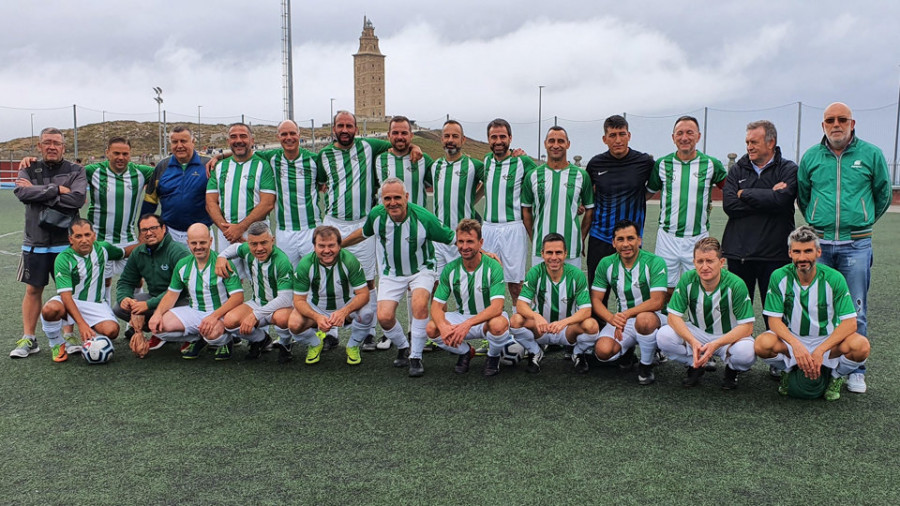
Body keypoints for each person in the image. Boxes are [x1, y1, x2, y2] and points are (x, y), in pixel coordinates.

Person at [797, 102, 891, 395]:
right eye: (829, 120)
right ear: (823, 126)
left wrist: (861, 220)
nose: (836, 124)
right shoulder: (812, 156)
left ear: (853, 123)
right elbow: (803, 195)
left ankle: (855, 371)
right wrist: (817, 221)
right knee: (819, 308)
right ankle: (823, 365)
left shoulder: (871, 154)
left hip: (856, 245)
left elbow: (883, 193)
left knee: (855, 310)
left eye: (842, 119)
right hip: (820, 245)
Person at [317, 111, 422, 351]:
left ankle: (367, 332)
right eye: (340, 125)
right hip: (333, 221)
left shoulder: (368, 146)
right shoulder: (323, 155)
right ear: (334, 128)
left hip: (363, 223)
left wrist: (415, 145)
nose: (345, 130)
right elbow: (321, 183)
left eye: (349, 126)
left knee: (367, 280)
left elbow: (399, 142)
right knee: (331, 278)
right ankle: (330, 332)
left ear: (356, 128)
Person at [343, 178, 454, 376]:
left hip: (421, 270)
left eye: (397, 197)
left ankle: (416, 357)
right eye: (387, 198)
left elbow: (452, 239)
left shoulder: (423, 218)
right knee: (384, 317)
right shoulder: (377, 216)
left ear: (406, 197)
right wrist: (340, 244)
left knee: (419, 304)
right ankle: (403, 347)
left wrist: (484, 252)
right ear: (381, 200)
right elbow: (364, 232)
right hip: (391, 273)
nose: (392, 202)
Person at [755, 226, 871, 401]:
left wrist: (820, 350)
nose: (802, 258)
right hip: (794, 340)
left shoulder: (834, 278)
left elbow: (850, 323)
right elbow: (774, 321)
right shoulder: (779, 276)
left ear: (818, 252)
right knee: (762, 344)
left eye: (808, 251)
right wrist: (796, 346)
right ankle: (787, 371)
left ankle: (836, 376)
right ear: (790, 253)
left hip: (827, 342)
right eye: (797, 252)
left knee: (861, 346)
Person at [11, 127, 86, 359]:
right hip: (35, 241)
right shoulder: (29, 167)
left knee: (69, 291)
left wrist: (40, 192)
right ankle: (29, 338)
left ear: (64, 147)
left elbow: (76, 199)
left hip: (66, 242)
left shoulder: (76, 170)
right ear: (39, 146)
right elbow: (22, 194)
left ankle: (69, 335)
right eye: (47, 142)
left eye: (57, 143)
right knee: (33, 290)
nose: (52, 146)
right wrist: (55, 190)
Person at [656, 237, 756, 389]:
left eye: (710, 261)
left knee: (746, 353)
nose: (704, 267)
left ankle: (731, 370)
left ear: (721, 263)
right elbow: (673, 317)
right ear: (694, 262)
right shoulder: (688, 279)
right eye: (700, 261)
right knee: (664, 336)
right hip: (698, 333)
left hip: (727, 336)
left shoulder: (736, 284)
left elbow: (747, 327)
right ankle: (695, 364)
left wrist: (716, 344)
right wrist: (692, 341)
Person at [647, 116, 726, 299]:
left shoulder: (711, 164)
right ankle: (666, 325)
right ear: (673, 137)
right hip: (667, 237)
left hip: (698, 238)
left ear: (698, 136)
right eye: (680, 133)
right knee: (665, 289)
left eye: (689, 133)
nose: (684, 137)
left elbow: (729, 190)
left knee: (701, 287)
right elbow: (648, 192)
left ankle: (696, 325)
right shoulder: (662, 164)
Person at [722, 120, 797, 311]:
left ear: (770, 143)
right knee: (738, 315)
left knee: (775, 315)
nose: (749, 147)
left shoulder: (788, 169)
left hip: (775, 255)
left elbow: (782, 201)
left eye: (754, 142)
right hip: (739, 254)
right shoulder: (737, 169)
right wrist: (769, 195)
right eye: (747, 142)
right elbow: (730, 205)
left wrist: (745, 193)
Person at [581, 220, 666, 384]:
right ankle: (628, 355)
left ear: (639, 240)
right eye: (620, 239)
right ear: (613, 243)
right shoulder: (606, 263)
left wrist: (625, 314)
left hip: (654, 318)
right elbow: (596, 300)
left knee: (644, 319)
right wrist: (612, 319)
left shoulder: (654, 262)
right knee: (603, 351)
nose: (626, 244)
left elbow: (657, 302)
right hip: (623, 321)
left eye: (630, 238)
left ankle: (646, 365)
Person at [426, 219, 511, 377]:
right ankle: (465, 352)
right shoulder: (450, 269)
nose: (464, 247)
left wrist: (467, 324)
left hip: (488, 318)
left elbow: (497, 307)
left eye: (470, 241)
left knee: (498, 325)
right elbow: (436, 307)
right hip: (462, 316)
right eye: (461, 242)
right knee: (432, 328)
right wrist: (443, 326)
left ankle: (493, 356)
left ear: (481, 243)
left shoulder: (493, 266)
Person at [148, 223, 244, 359]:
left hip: (218, 312)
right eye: (194, 243)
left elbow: (238, 297)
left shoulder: (222, 263)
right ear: (188, 243)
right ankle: (198, 338)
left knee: (212, 334)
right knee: (158, 328)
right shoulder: (183, 264)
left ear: (210, 241)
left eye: (202, 242)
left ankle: (225, 340)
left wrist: (213, 317)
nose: (198, 247)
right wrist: (157, 314)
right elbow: (171, 294)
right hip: (194, 311)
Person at [509, 233, 599, 374]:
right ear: (542, 253)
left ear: (565, 254)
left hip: (567, 330)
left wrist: (563, 323)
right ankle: (535, 351)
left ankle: (577, 352)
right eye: (549, 252)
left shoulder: (576, 275)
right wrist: (536, 317)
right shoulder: (535, 273)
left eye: (558, 252)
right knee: (515, 320)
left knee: (591, 325)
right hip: (542, 328)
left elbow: (586, 311)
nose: (554, 257)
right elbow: (520, 305)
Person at [39, 218, 126, 362]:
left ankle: (94, 341)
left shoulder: (104, 248)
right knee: (50, 309)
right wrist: (82, 324)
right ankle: (56, 343)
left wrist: (145, 244)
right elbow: (66, 297)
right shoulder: (63, 259)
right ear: (70, 239)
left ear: (94, 235)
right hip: (70, 301)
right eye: (78, 236)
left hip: (96, 304)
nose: (84, 240)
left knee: (112, 331)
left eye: (87, 235)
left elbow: (125, 252)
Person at [585, 115, 655, 290]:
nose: (618, 140)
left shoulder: (644, 162)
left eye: (622, 134)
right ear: (604, 139)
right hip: (600, 237)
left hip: (631, 240)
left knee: (635, 292)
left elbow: (656, 187)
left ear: (629, 135)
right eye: (613, 135)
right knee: (597, 293)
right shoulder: (595, 164)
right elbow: (586, 196)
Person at [287, 226, 374, 366]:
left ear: (339, 245)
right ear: (314, 246)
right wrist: (317, 317)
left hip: (344, 307)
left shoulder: (350, 261)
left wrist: (344, 311)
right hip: (317, 308)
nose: (327, 251)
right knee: (294, 324)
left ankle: (352, 346)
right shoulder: (305, 264)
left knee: (367, 314)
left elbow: (364, 294)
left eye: (331, 245)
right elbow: (298, 301)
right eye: (321, 246)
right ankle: (315, 343)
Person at [215, 221, 295, 361]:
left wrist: (255, 315)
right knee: (229, 321)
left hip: (281, 307)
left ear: (272, 240)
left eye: (264, 243)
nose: (259, 248)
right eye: (254, 244)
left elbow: (285, 299)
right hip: (258, 302)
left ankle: (286, 343)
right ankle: (261, 339)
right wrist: (221, 257)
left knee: (281, 318)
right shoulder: (248, 249)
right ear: (249, 243)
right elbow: (235, 247)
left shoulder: (282, 261)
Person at [115, 214, 191, 357]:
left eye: (153, 228)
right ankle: (160, 332)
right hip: (156, 298)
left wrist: (149, 304)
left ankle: (189, 336)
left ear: (163, 229)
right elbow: (126, 281)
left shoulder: (178, 252)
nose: (149, 233)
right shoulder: (138, 252)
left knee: (168, 316)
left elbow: (181, 289)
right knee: (119, 308)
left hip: (183, 301)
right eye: (144, 230)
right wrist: (124, 298)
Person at [82, 137, 154, 284]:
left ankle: (133, 307)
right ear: (107, 153)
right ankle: (105, 307)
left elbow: (169, 169)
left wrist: (213, 158)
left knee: (136, 280)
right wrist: (31, 163)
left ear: (130, 154)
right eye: (116, 153)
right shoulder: (93, 171)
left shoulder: (141, 172)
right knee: (103, 282)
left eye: (125, 154)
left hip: (128, 239)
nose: (121, 157)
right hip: (99, 238)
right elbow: (65, 172)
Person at [521, 126, 594, 268]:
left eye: (560, 141)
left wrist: (581, 237)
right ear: (545, 144)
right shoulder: (533, 175)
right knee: (542, 289)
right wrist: (534, 237)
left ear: (568, 144)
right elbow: (526, 211)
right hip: (541, 249)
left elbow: (590, 210)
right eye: (551, 141)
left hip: (571, 248)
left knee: (570, 289)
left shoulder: (581, 175)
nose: (555, 145)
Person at [481, 118, 536, 305]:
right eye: (493, 137)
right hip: (488, 229)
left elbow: (544, 182)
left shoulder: (522, 161)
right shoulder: (486, 161)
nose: (498, 141)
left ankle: (521, 327)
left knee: (515, 284)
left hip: (513, 228)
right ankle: (493, 329)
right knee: (486, 282)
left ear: (510, 138)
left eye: (502, 136)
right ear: (488, 139)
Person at [254, 120, 321, 267]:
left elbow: (323, 185)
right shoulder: (272, 157)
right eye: (284, 134)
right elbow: (245, 154)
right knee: (288, 277)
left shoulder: (314, 160)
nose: (288, 137)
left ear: (299, 135)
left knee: (314, 277)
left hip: (310, 228)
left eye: (292, 133)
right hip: (284, 231)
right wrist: (218, 157)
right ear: (278, 137)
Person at [205, 122, 276, 258]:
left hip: (257, 234)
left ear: (252, 140)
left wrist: (240, 228)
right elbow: (210, 203)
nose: (238, 141)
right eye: (233, 137)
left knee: (261, 276)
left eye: (243, 136)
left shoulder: (263, 165)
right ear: (228, 141)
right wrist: (229, 231)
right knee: (230, 276)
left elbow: (267, 203)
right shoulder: (219, 167)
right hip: (227, 234)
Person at [142, 126, 213, 244]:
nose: (179, 146)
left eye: (184, 141)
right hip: (170, 234)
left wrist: (221, 156)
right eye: (175, 142)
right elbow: (150, 202)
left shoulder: (207, 164)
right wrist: (143, 230)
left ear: (193, 142)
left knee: (202, 263)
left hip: (201, 235)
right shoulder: (162, 167)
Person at [430, 120, 484, 274]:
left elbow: (491, 180)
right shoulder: (434, 166)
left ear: (463, 139)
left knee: (466, 287)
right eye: (447, 136)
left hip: (464, 238)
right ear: (441, 139)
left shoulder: (474, 165)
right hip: (439, 238)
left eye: (455, 136)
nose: (450, 140)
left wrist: (473, 199)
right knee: (437, 287)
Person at [375, 115, 433, 209]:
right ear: (389, 135)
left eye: (404, 133)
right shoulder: (379, 159)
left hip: (415, 221)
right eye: (395, 133)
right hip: (387, 221)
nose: (399, 137)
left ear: (411, 135)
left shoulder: (423, 159)